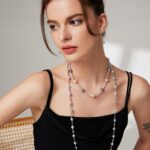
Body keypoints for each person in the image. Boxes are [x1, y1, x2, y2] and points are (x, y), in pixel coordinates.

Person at [0, 0, 150, 149]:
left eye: (74, 22)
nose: (63, 36)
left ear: (101, 22)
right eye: (54, 26)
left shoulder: (136, 89)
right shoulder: (40, 85)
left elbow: (147, 140)